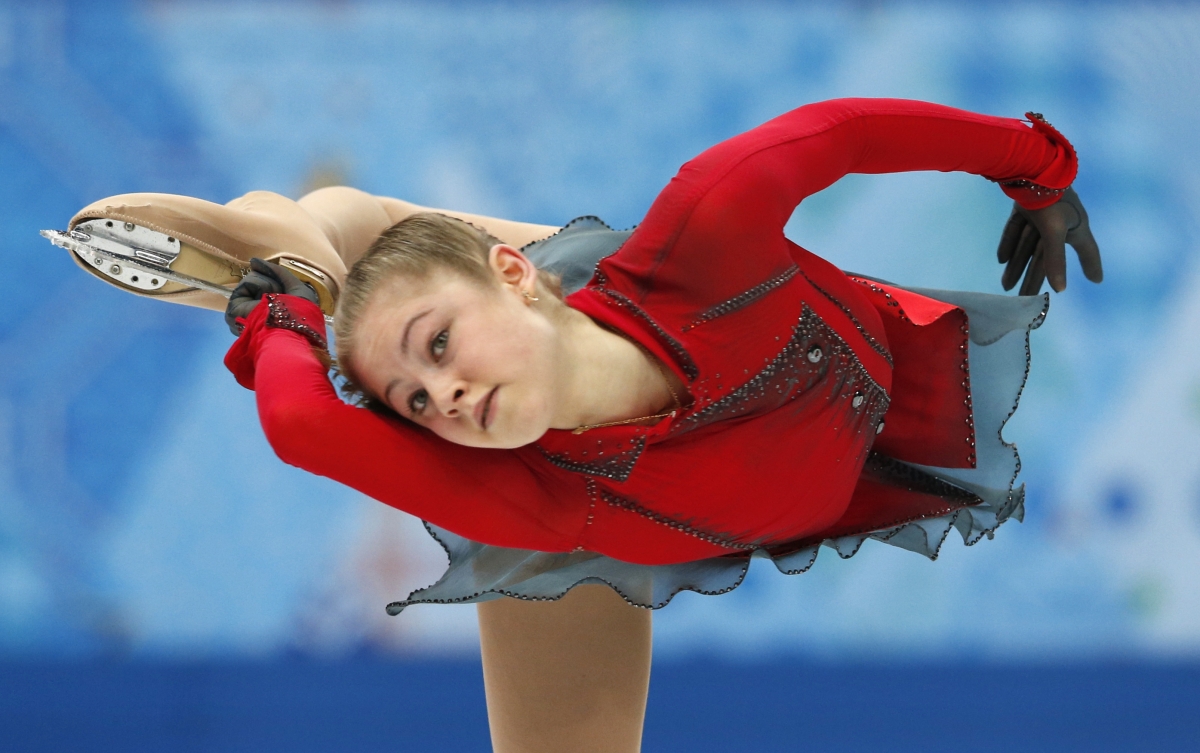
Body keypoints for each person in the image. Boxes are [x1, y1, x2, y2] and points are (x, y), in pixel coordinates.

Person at [64, 97, 1101, 753]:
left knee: (464, 269)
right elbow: (301, 425)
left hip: (605, 300)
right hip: (577, 495)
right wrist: (278, 323)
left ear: (506, 282)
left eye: (438, 361)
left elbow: (846, 133)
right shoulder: (516, 497)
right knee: (398, 330)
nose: (446, 397)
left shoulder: (707, 234)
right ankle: (298, 254)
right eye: (418, 403)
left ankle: (319, 231)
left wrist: (1038, 165)